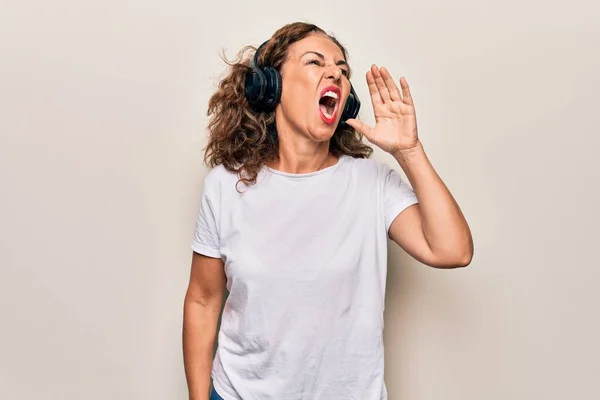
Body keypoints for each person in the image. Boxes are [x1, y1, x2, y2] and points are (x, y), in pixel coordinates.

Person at [182, 21, 473, 400]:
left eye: (342, 69)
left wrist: (408, 151)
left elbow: (453, 251)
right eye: (315, 62)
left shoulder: (372, 183)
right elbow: (203, 299)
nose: (334, 72)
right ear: (271, 87)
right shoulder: (224, 185)